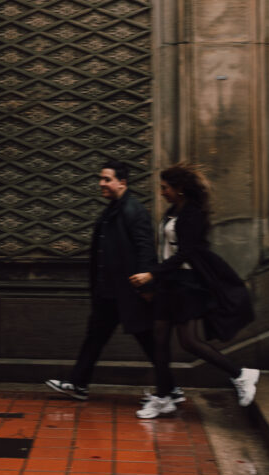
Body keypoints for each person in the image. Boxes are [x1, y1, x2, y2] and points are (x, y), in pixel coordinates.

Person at [45, 161, 183, 405]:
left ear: (123, 183)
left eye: (107, 179)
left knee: (147, 339)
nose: (102, 183)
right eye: (101, 179)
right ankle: (78, 384)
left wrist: (147, 286)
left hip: (128, 290)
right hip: (110, 291)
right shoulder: (115, 209)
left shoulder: (133, 210)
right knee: (96, 337)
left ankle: (170, 388)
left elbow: (145, 249)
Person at [129, 162, 258, 419]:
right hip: (169, 283)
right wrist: (156, 278)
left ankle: (240, 374)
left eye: (165, 188)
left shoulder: (192, 214)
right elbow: (166, 250)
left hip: (185, 284)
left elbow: (186, 253)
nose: (161, 192)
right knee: (159, 338)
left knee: (188, 341)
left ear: (179, 189)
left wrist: (152, 273)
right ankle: (164, 396)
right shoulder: (174, 210)